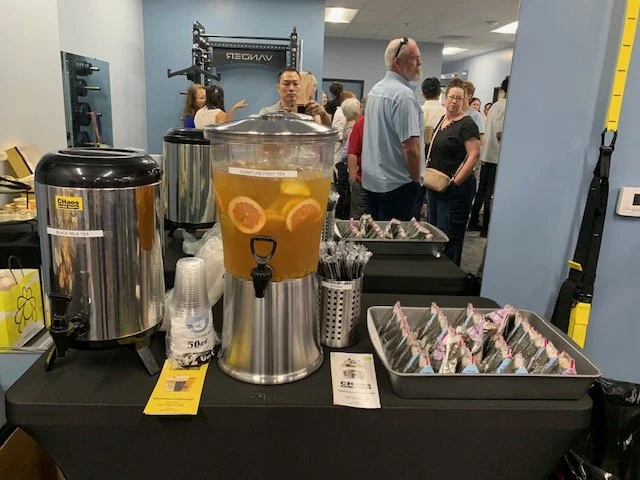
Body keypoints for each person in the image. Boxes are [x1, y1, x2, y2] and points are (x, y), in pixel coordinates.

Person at [361, 37, 424, 221]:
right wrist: (415, 180)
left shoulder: (375, 91)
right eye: (415, 58)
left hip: (374, 183)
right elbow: (411, 148)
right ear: (398, 62)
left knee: (378, 234)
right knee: (396, 237)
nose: (420, 63)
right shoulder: (404, 96)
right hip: (398, 186)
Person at [426, 78, 481, 266]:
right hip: (436, 187)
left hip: (454, 191)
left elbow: (474, 155)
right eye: (451, 97)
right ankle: (437, 272)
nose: (454, 101)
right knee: (435, 233)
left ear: (465, 101)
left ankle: (449, 274)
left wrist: (455, 182)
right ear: (445, 97)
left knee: (450, 237)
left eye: (459, 98)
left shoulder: (467, 124)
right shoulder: (443, 120)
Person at [469, 76, 509, 237]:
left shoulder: (495, 105)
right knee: (489, 194)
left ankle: (473, 222)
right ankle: (486, 228)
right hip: (497, 156)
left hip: (488, 154)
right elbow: (500, 133)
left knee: (482, 191)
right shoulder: (507, 107)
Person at [258, 68, 331, 126]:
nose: (291, 88)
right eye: (286, 84)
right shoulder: (267, 114)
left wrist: (323, 115)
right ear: (278, 88)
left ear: (301, 87)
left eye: (295, 84)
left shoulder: (310, 112)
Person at [334, 97, 361, 219]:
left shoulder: (346, 125)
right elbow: (347, 153)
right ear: (356, 112)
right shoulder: (354, 127)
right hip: (350, 167)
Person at [347, 97, 370, 219]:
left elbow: (352, 153)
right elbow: (352, 153)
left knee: (359, 220)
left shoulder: (361, 123)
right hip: (363, 182)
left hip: (366, 182)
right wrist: (353, 179)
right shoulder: (361, 124)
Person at [420, 77, 446, 149]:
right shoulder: (447, 113)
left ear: (422, 93)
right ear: (440, 93)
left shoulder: (417, 111)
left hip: (420, 151)